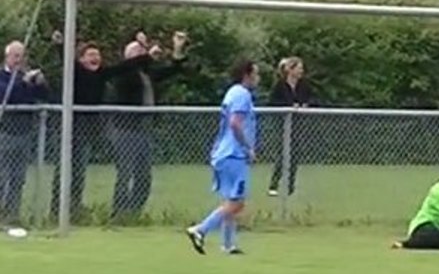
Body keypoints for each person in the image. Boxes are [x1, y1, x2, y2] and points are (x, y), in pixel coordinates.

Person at [45, 31, 157, 221]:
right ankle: (57, 210)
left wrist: (147, 55)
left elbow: (125, 66)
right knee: (64, 170)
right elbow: (67, 60)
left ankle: (74, 208)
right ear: (81, 59)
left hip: (87, 129)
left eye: (97, 55)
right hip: (70, 128)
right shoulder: (77, 72)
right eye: (90, 55)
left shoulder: (102, 74)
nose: (95, 58)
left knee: (79, 171)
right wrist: (60, 44)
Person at [109, 31, 187, 222]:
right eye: (137, 52)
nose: (141, 55)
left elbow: (172, 70)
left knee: (144, 176)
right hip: (125, 130)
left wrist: (177, 49)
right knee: (125, 173)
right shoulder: (123, 74)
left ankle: (134, 213)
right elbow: (132, 68)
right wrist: (146, 52)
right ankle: (118, 213)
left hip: (143, 130)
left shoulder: (147, 74)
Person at [186, 60, 260, 256]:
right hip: (233, 155)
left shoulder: (232, 92)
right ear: (247, 74)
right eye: (256, 74)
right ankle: (200, 229)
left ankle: (228, 245)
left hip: (224, 153)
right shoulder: (242, 94)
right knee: (237, 202)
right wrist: (248, 147)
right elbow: (236, 124)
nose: (258, 78)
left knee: (230, 201)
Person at [0, 40, 50, 226]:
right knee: (0, 177)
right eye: (15, 56)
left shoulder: (26, 78)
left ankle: (12, 216)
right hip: (3, 133)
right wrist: (22, 82)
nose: (18, 60)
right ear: (7, 57)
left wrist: (40, 83)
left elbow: (44, 96)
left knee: (18, 178)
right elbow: (2, 96)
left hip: (24, 134)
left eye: (21, 56)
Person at [267, 56, 314, 197]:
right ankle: (274, 184)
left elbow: (311, 98)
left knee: (295, 155)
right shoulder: (280, 85)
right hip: (282, 124)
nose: (301, 71)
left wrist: (304, 105)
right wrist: (288, 106)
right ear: (291, 70)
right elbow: (272, 102)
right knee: (282, 154)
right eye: (299, 68)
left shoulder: (304, 85)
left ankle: (290, 186)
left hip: (298, 125)